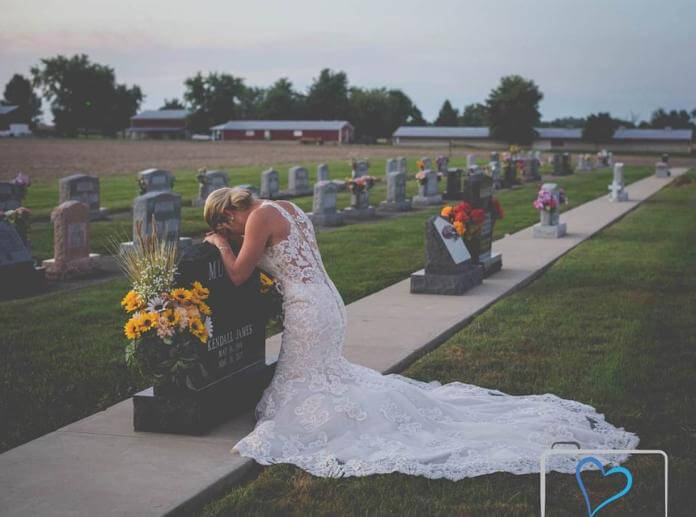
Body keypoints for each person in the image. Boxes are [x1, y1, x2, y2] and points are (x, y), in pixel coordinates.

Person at [203, 187, 638, 479]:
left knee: (310, 381)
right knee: (323, 374)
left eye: (228, 226)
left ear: (228, 211)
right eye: (228, 233)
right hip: (325, 299)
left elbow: (240, 274)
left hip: (308, 307)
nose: (233, 232)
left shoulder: (258, 217)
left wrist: (221, 247)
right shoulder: (284, 206)